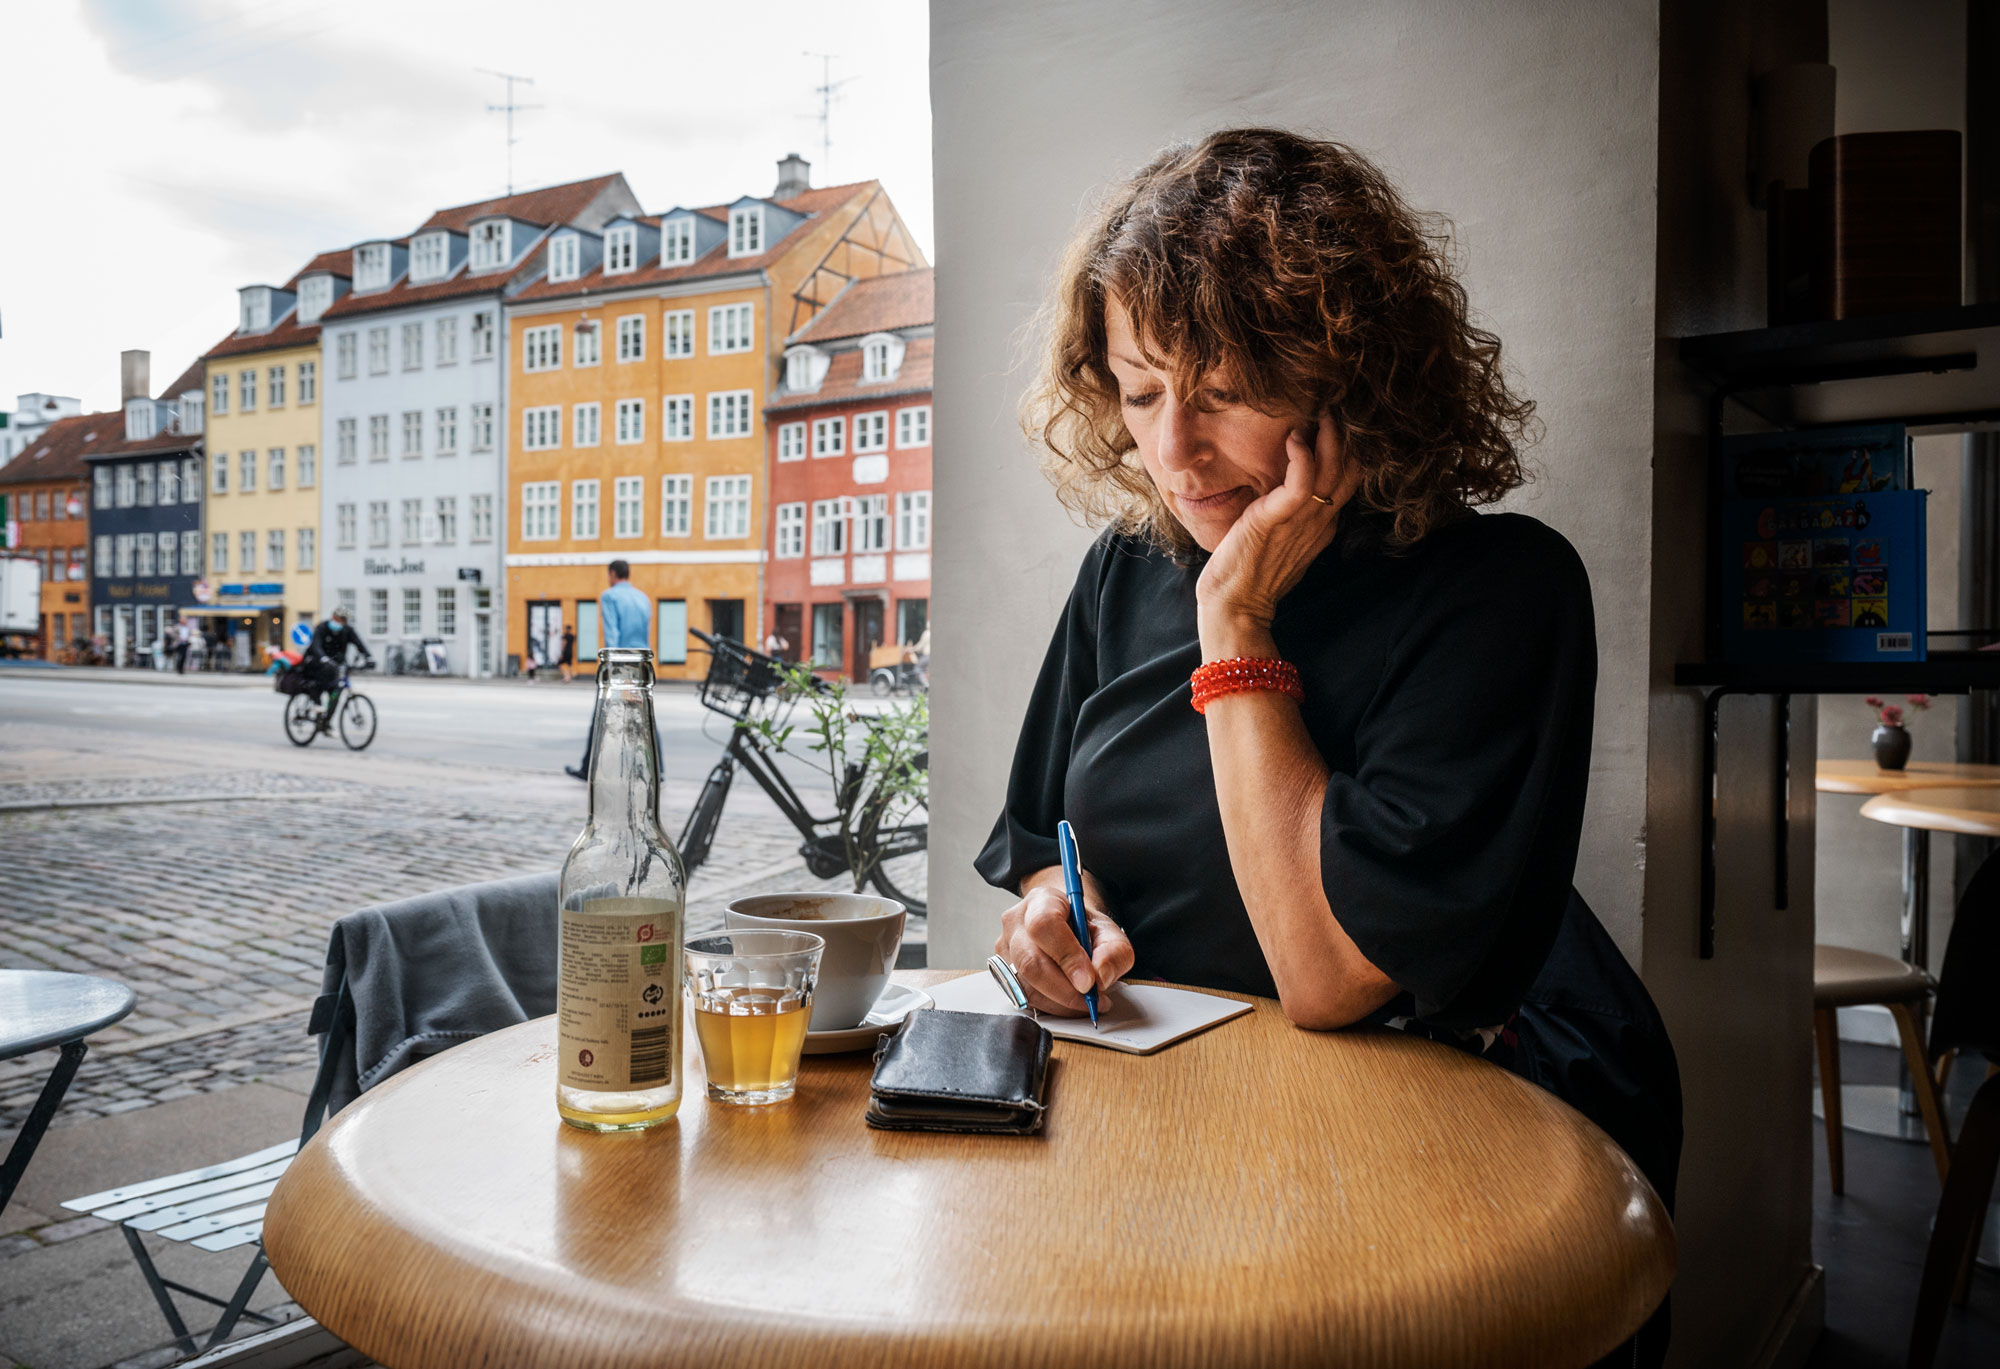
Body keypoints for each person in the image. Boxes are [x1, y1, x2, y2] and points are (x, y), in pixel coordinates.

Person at [976, 129, 1680, 1368]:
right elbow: (1046, 845)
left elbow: (1324, 977)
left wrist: (1235, 626)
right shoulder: (1121, 574)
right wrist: (1049, 913)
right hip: (1164, 1123)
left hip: (1429, 1131)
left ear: (1344, 378)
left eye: (1225, 390)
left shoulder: (1498, 591)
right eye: (1140, 392)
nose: (1174, 451)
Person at [567, 560, 653, 779]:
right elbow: (646, 633)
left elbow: (612, 633)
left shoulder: (610, 596)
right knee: (645, 716)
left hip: (620, 663)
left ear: (613, 574)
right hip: (640, 664)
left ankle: (588, 768)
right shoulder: (643, 598)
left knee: (601, 715)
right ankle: (657, 770)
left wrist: (609, 666)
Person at [301, 604, 373, 731]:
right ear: (333, 617)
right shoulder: (322, 628)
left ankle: (326, 722)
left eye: (342, 620)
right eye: (337, 618)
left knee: (336, 693)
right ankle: (316, 703)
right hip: (317, 663)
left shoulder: (347, 630)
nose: (339, 622)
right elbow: (315, 646)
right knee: (318, 683)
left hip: (336, 665)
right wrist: (323, 658)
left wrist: (368, 657)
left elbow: (359, 643)